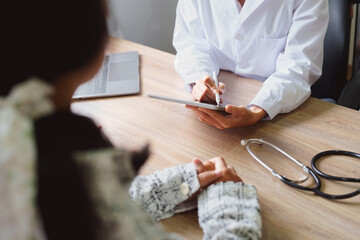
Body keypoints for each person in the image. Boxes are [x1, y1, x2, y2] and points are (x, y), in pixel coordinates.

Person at [0, 0, 261, 240]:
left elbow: (74, 201)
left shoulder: (21, 143)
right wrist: (230, 201)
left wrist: (175, 186)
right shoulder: (74, 173)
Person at [173, 0, 329, 129]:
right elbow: (191, 44)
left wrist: (259, 109)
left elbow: (298, 66)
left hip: (278, 111)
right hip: (221, 95)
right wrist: (201, 80)